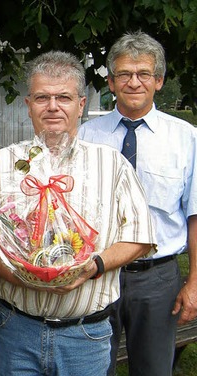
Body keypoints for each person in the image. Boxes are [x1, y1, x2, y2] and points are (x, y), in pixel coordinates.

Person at [0, 51, 157, 375]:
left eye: (64, 97)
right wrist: (27, 277)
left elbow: (140, 236)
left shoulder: (111, 164)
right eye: (42, 97)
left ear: (81, 104)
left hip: (85, 335)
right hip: (16, 329)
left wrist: (94, 266)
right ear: (28, 103)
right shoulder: (2, 164)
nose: (53, 106)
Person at [79, 31, 197, 376]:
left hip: (158, 279)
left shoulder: (187, 138)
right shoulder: (86, 136)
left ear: (158, 81)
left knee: (153, 370)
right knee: (92, 367)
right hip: (98, 273)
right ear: (111, 82)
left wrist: (194, 284)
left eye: (143, 74)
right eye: (124, 74)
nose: (134, 82)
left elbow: (195, 215)